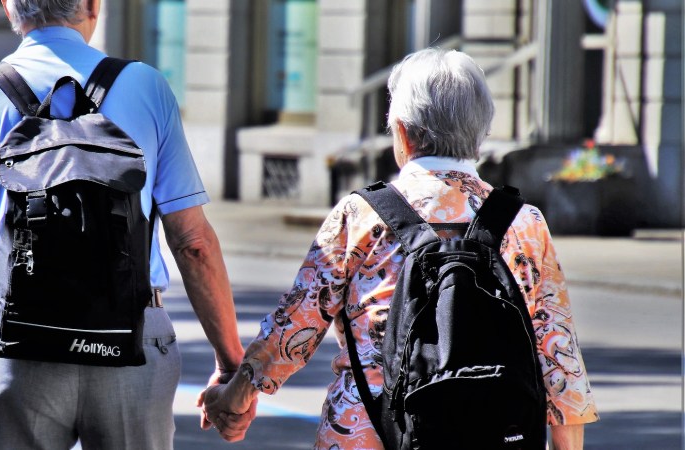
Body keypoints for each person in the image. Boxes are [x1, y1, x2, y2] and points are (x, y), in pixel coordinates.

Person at [200, 48, 599, 449]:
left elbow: (296, 326)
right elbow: (559, 357)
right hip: (492, 433)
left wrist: (236, 396)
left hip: (366, 431)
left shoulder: (360, 216)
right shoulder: (524, 222)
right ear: (480, 133)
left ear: (404, 133)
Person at [0, 1, 253, 448]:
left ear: (9, 6)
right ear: (91, 4)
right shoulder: (146, 87)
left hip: (15, 346)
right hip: (133, 344)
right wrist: (230, 362)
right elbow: (193, 242)